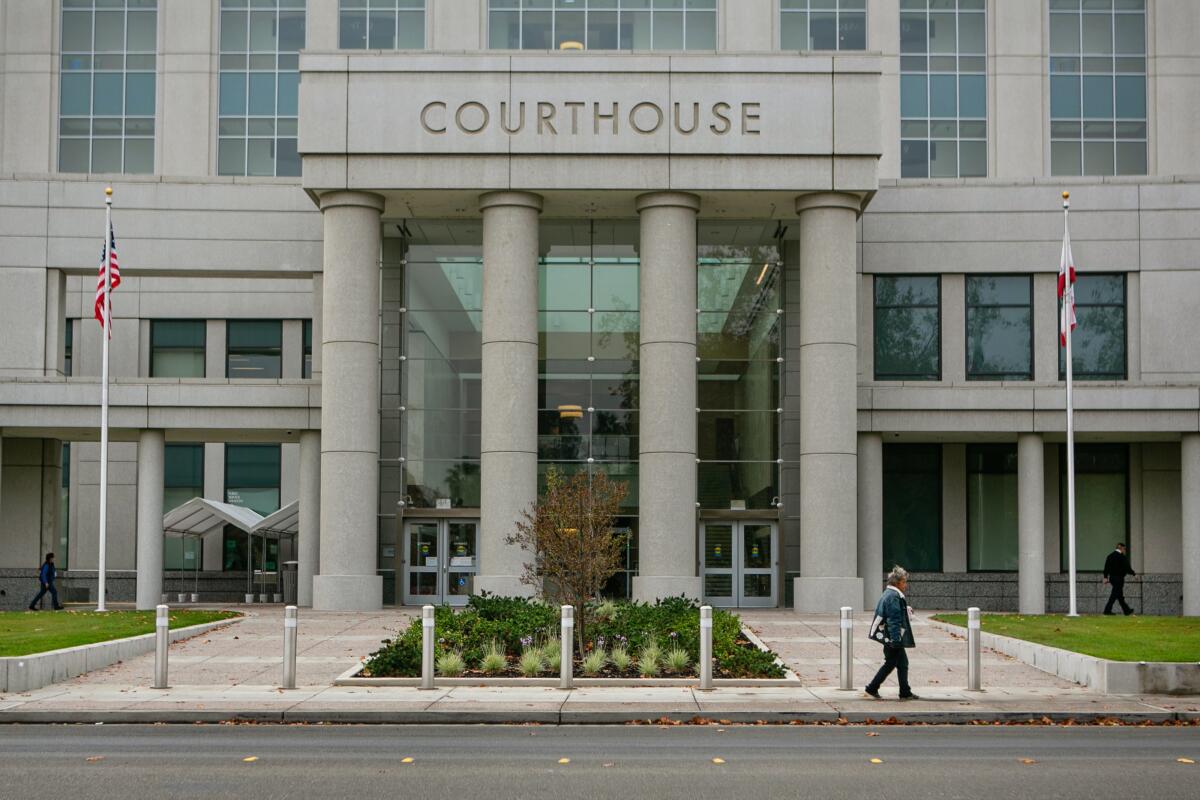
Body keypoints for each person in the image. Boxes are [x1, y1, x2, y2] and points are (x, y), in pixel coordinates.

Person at [865, 566, 919, 700]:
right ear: (898, 582)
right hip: (893, 638)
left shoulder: (889, 594)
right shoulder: (894, 596)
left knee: (901, 663)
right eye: (904, 582)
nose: (905, 585)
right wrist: (896, 640)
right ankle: (873, 688)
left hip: (890, 636)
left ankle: (904, 691)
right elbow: (894, 620)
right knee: (891, 663)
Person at [1102, 542, 1136, 616]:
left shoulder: (1110, 556)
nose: (1125, 550)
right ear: (1121, 548)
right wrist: (1134, 574)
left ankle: (1127, 610)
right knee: (1114, 595)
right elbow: (1127, 568)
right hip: (1119, 578)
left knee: (1119, 595)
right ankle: (1107, 611)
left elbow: (1106, 568)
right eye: (1124, 549)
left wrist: (1105, 577)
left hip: (1112, 578)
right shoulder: (1122, 557)